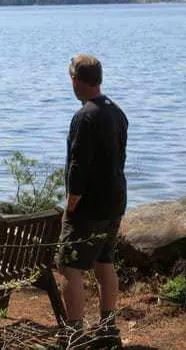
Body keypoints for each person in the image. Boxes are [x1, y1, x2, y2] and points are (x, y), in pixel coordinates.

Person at [57, 54, 128, 347]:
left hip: (89, 207)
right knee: (104, 262)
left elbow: (78, 165)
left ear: (76, 79)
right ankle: (108, 328)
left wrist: (72, 201)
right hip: (115, 202)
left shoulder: (85, 116)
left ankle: (73, 333)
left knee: (69, 267)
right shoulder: (116, 112)